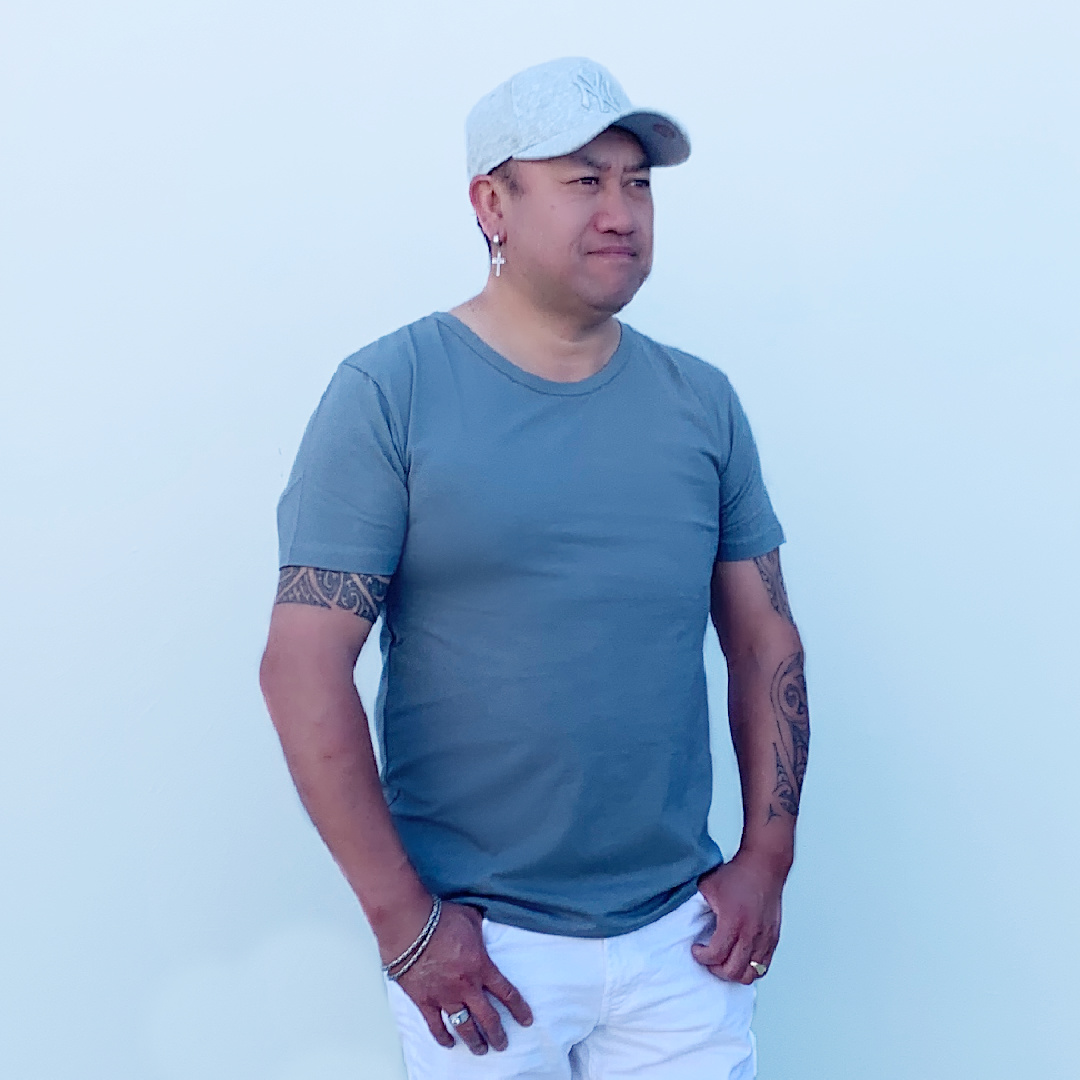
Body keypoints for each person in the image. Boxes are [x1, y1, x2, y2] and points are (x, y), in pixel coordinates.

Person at [259, 56, 809, 1079]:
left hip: (682, 939)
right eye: (583, 179)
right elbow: (301, 666)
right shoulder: (390, 392)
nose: (620, 212)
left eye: (637, 183)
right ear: (491, 204)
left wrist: (766, 860)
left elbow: (764, 637)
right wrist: (406, 925)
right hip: (482, 954)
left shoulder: (701, 403)